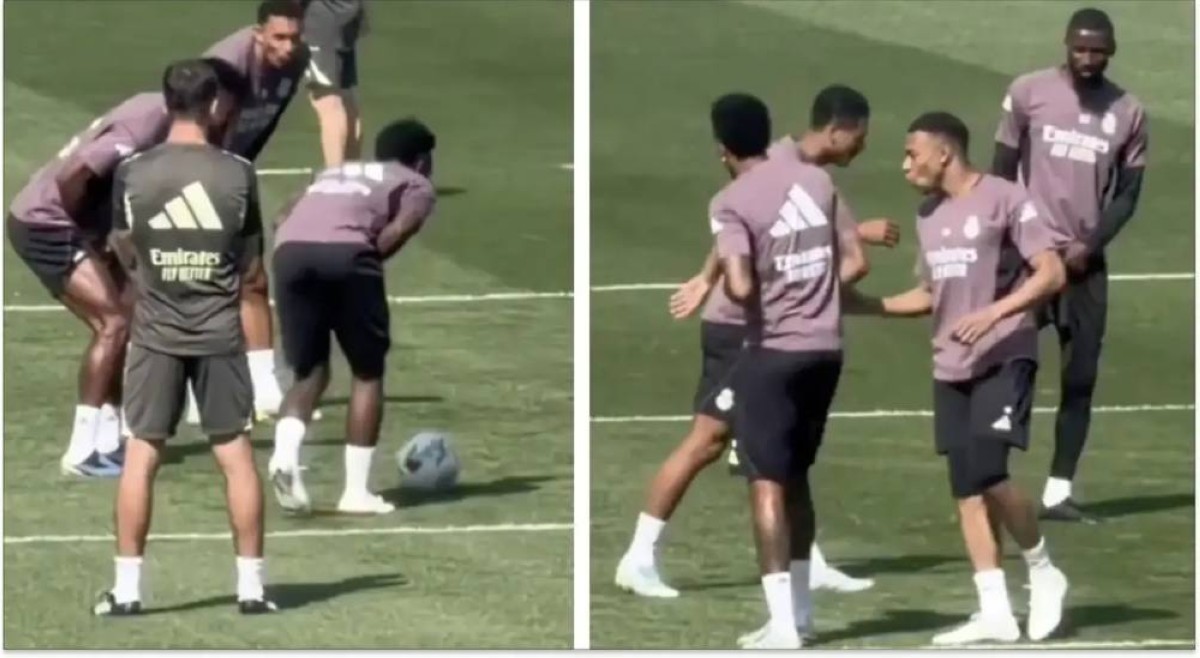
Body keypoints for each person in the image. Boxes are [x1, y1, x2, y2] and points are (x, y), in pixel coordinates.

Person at [615, 85, 886, 607]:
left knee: (784, 449)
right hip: (740, 329)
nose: (864, 146)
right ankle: (639, 556)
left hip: (774, 328)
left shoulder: (810, 178)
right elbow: (738, 233)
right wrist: (711, 278)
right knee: (709, 440)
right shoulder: (785, 170)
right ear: (837, 130)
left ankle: (806, 561)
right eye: (861, 135)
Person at [846, 111, 1069, 644]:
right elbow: (931, 294)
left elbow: (1052, 272)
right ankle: (994, 611)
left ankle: (1043, 570)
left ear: (943, 153)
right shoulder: (928, 215)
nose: (905, 165)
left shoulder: (1004, 198)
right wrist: (866, 305)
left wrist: (994, 313)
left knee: (989, 469)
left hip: (1005, 353)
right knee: (967, 488)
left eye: (911, 153)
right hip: (951, 364)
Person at [6, 58, 247, 477]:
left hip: (75, 224)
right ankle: (80, 450)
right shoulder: (146, 124)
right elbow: (74, 174)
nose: (230, 117)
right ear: (212, 100)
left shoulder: (162, 116)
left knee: (126, 322)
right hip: (47, 222)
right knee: (113, 324)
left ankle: (108, 439)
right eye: (229, 107)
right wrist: (87, 233)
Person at [94, 59, 274, 616]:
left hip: (156, 332)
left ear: (166, 103)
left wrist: (152, 273)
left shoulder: (133, 172)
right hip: (219, 331)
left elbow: (121, 243)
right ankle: (252, 589)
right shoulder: (238, 173)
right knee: (235, 455)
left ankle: (127, 592)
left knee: (142, 456)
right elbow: (250, 261)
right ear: (214, 104)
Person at [697, 92, 854, 649]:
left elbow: (740, 285)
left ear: (723, 147)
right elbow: (850, 260)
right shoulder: (817, 181)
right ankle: (802, 614)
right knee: (798, 479)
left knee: (765, 482)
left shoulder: (730, 202)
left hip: (773, 352)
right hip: (826, 349)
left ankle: (783, 625)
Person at [991, 7, 1148, 523]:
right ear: (1066, 45)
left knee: (1080, 377)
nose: (1087, 58)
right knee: (1011, 366)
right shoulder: (1028, 91)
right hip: (1030, 259)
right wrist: (1014, 241)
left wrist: (1091, 244)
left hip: (1085, 265)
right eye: (1080, 48)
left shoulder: (1128, 111)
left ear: (1111, 51)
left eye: (1097, 50)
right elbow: (1001, 173)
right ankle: (993, 479)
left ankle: (1058, 492)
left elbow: (1127, 194)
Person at [267, 118, 437, 515]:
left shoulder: (334, 171)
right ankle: (355, 492)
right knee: (367, 371)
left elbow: (280, 218)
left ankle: (285, 455)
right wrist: (359, 261)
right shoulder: (416, 183)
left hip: (289, 252)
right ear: (421, 160)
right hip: (348, 254)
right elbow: (399, 231)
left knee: (310, 372)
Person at [202, 0, 311, 420]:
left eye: (294, 38)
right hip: (198, 177)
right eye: (279, 37)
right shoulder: (226, 67)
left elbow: (266, 121)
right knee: (197, 283)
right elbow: (203, 131)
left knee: (252, 279)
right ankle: (197, 391)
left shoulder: (295, 62)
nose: (288, 47)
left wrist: (243, 169)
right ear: (258, 33)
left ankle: (263, 388)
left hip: (235, 171)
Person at [302, 0, 366, 167]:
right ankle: (352, 173)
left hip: (321, 21)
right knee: (345, 98)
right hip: (345, 17)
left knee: (327, 101)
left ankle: (335, 175)